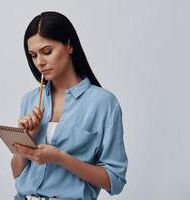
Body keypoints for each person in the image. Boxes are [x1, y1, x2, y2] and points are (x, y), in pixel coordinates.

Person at [11, 11, 128, 200]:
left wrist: (60, 158)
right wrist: (27, 138)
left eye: (47, 52)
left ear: (69, 46)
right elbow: (17, 172)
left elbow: (115, 181)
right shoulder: (30, 100)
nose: (39, 62)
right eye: (33, 55)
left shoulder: (103, 104)